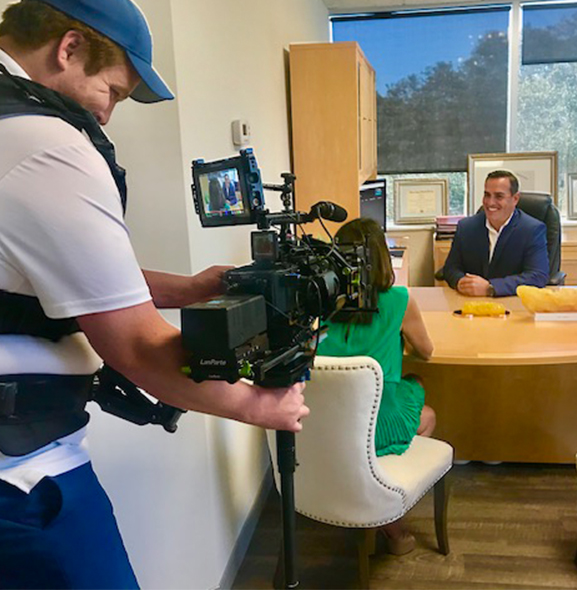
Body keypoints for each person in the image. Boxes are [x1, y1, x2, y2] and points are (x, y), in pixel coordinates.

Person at [0, 1, 308, 588]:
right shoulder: (48, 146)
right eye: (113, 91)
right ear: (69, 48)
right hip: (23, 479)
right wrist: (260, 407)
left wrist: (188, 289)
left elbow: (69, 280)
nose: (107, 114)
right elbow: (139, 348)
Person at [317, 218, 436, 555]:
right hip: (375, 426)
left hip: (323, 424)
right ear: (383, 258)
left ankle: (359, 492)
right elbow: (426, 351)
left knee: (409, 389)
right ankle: (388, 513)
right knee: (425, 411)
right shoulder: (398, 299)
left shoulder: (321, 302)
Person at [443, 170, 550, 297]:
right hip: (471, 302)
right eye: (487, 195)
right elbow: (450, 268)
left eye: (499, 196)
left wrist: (491, 287)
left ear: (515, 199)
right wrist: (460, 281)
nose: (490, 202)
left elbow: (537, 276)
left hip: (512, 302)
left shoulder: (532, 230)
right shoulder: (466, 227)